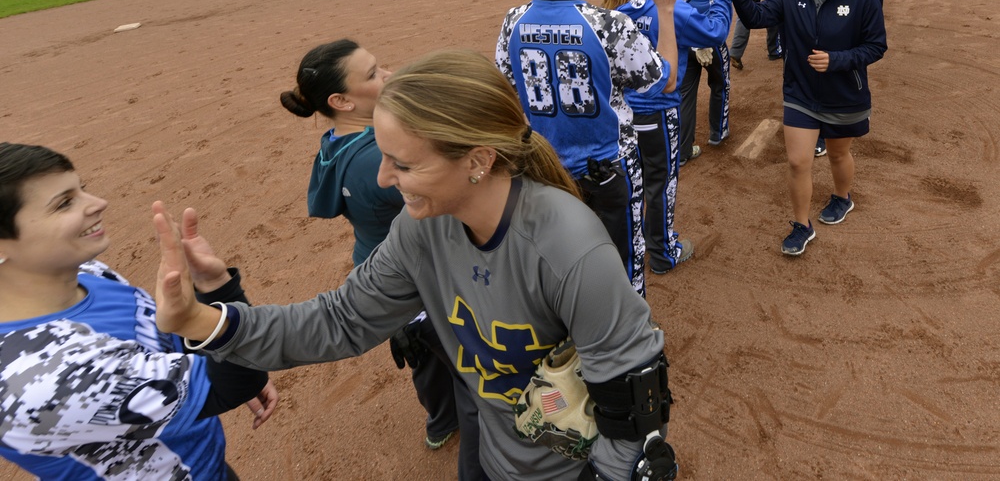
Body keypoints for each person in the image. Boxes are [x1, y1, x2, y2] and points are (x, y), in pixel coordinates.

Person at [152, 50, 681, 481]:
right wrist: (203, 319)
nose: (384, 179)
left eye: (403, 163)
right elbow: (342, 320)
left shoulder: (569, 247)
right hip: (493, 459)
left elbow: (634, 406)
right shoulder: (420, 227)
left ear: (477, 160)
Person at [0, 143, 277, 480]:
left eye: (81, 189)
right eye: (64, 203)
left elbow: (157, 345)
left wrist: (213, 367)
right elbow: (229, 387)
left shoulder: (84, 272)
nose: (99, 203)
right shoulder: (43, 377)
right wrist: (220, 289)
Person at [278, 39, 484, 479]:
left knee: (427, 361)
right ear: (341, 100)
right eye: (372, 74)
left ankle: (439, 423)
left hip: (377, 273)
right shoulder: (379, 157)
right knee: (473, 380)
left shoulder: (336, 141)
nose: (388, 75)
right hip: (418, 283)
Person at [496, 0, 681, 297]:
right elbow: (663, 78)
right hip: (609, 168)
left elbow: (507, 88)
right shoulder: (608, 24)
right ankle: (629, 345)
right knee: (624, 262)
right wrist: (664, 8)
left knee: (562, 260)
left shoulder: (513, 21)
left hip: (545, 168)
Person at [728, 0, 887, 256]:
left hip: (844, 93)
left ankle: (843, 198)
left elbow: (876, 47)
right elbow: (756, 17)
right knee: (798, 161)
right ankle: (802, 224)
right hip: (800, 93)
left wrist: (838, 60)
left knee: (839, 153)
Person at [602, 0, 734, 273]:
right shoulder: (669, 10)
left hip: (622, 115)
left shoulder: (616, 10)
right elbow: (716, 32)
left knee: (636, 182)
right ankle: (663, 253)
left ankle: (637, 246)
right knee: (661, 182)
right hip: (658, 112)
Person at [666, 0, 735, 164]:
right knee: (720, 85)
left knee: (684, 94)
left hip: (681, 42)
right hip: (708, 37)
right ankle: (718, 133)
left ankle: (683, 150)